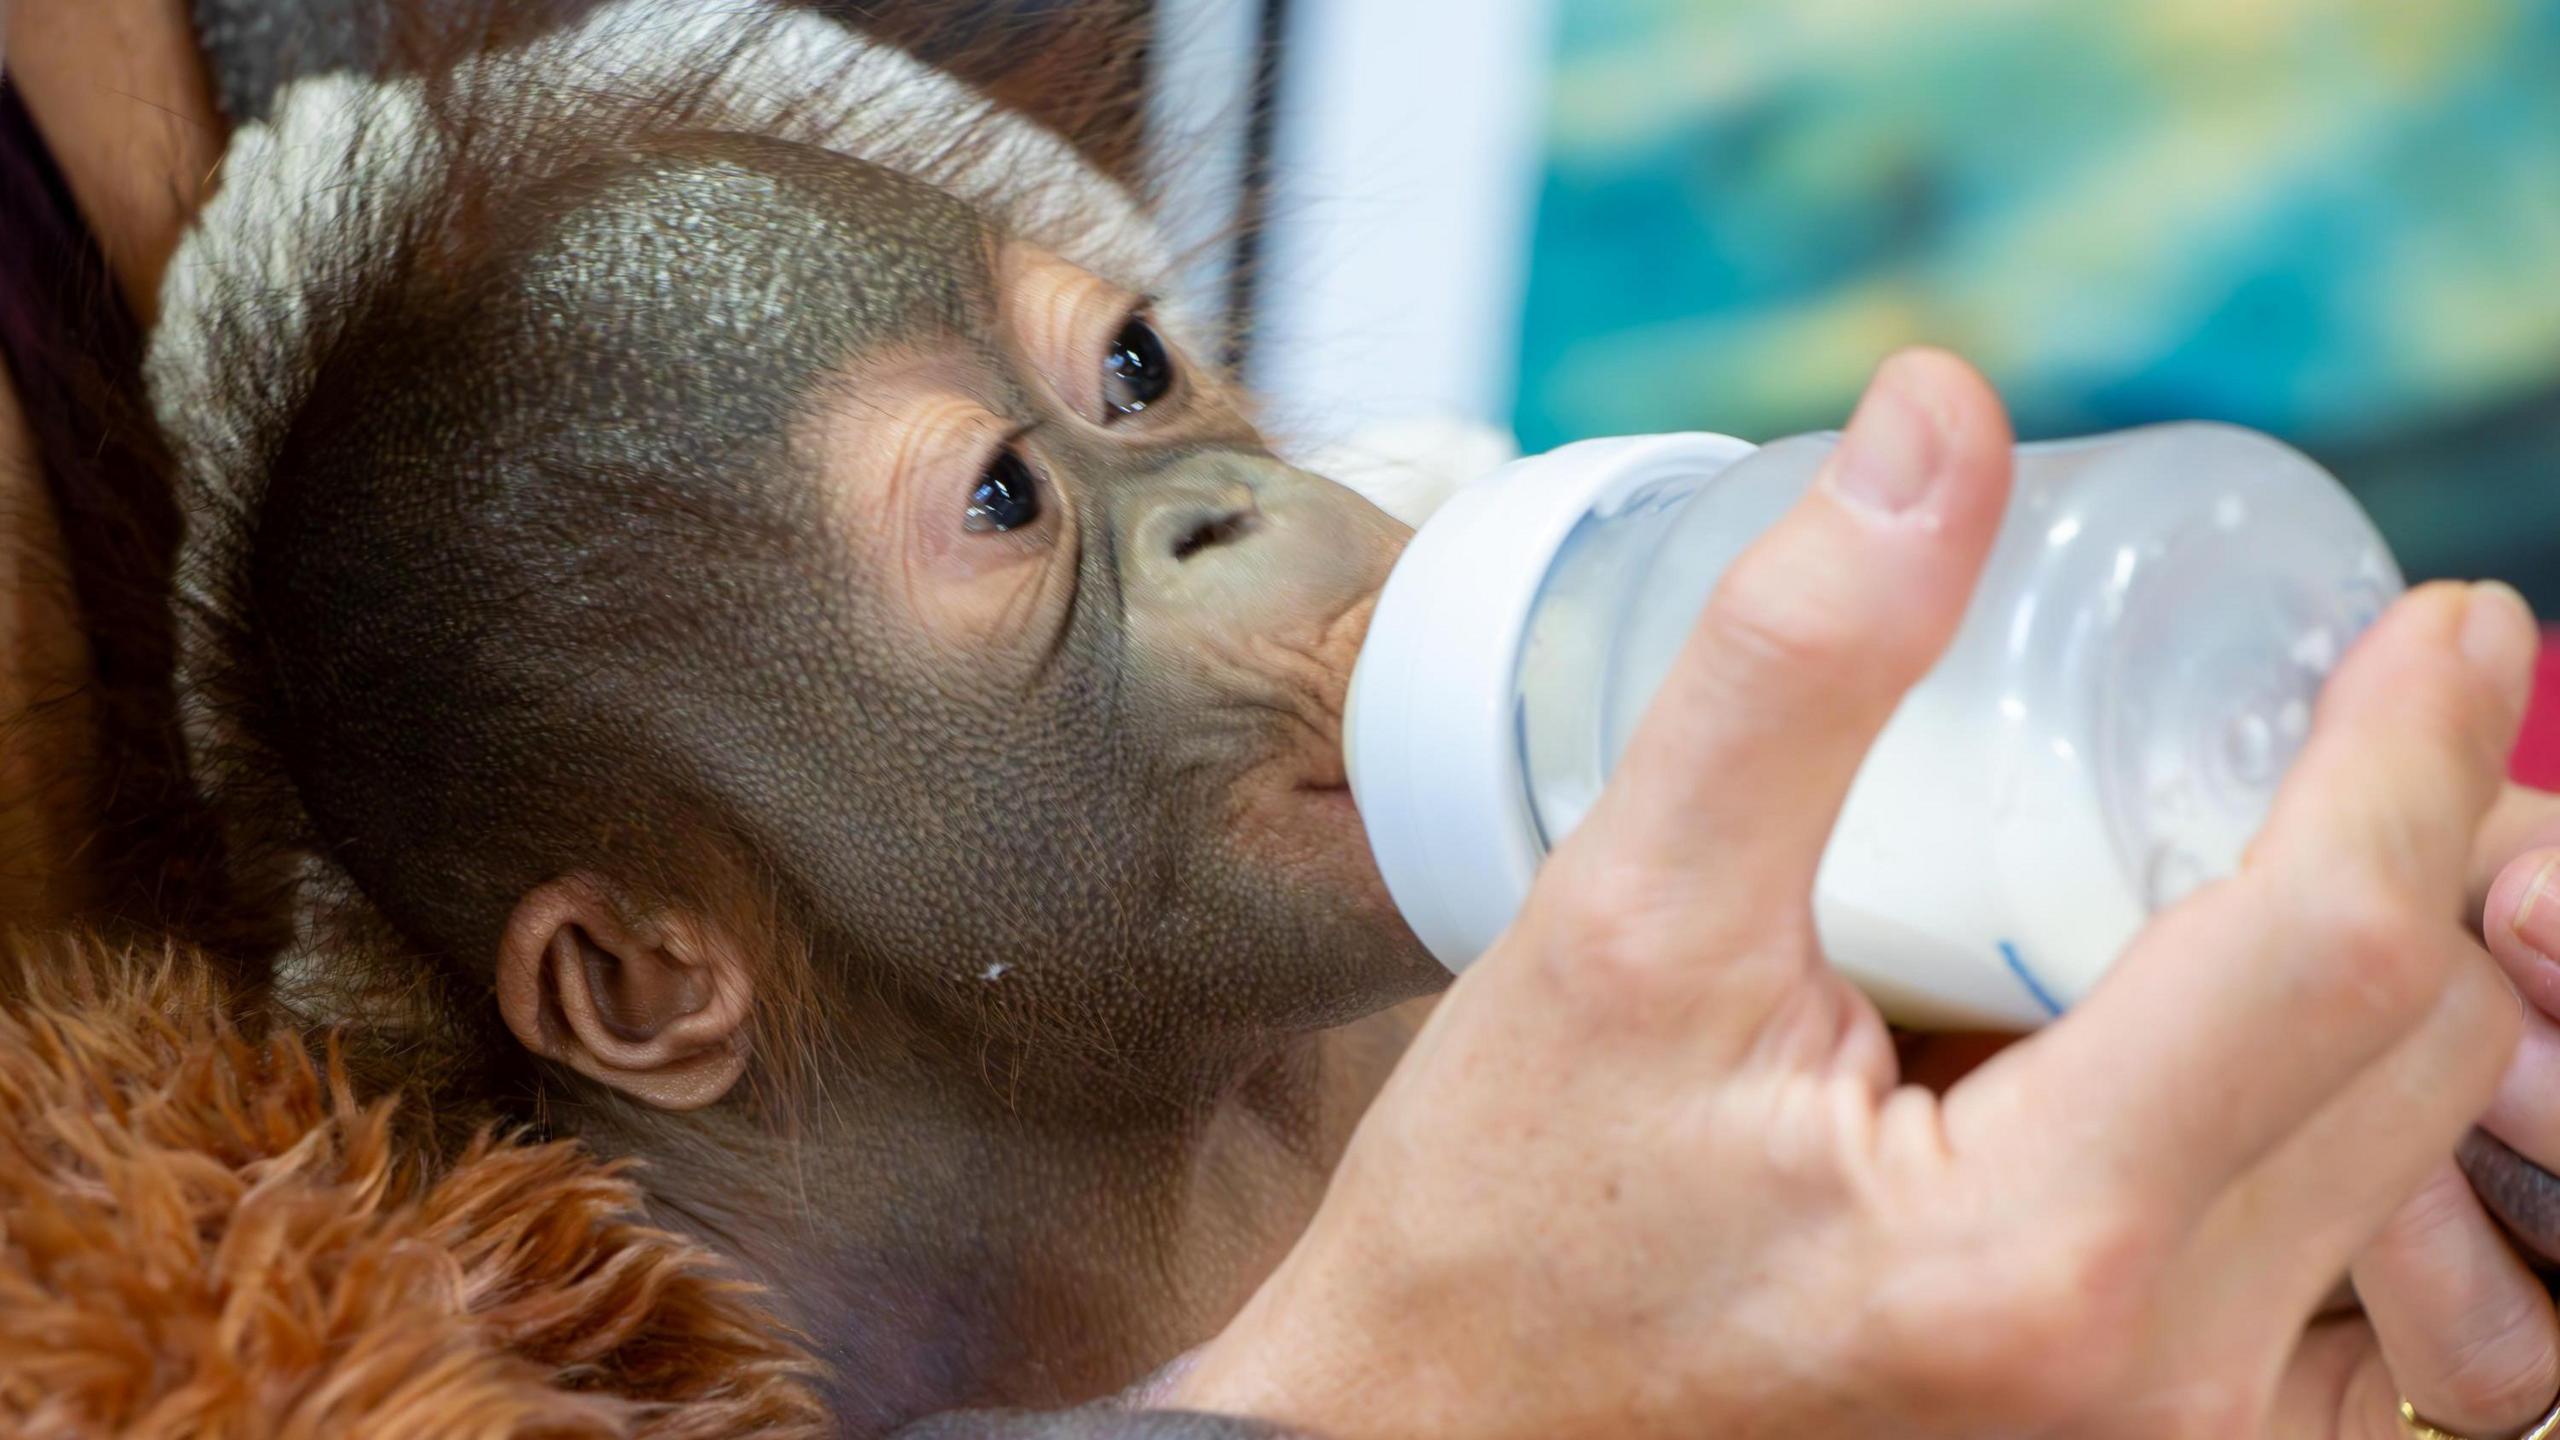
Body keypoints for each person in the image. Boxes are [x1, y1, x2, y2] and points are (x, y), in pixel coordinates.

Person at [10, 6, 2560, 1436]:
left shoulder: (1534, 965)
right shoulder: (588, 1366)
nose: (1229, 505)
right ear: (653, 983)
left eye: (1133, 370)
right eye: (1003, 506)